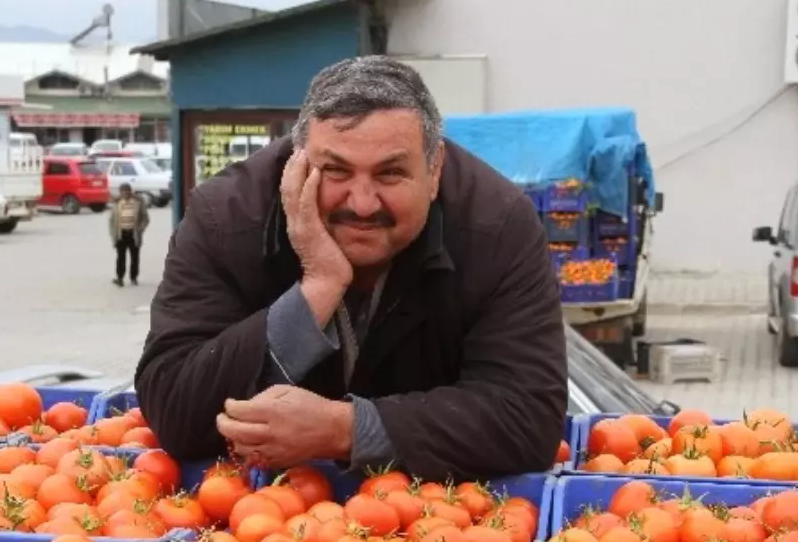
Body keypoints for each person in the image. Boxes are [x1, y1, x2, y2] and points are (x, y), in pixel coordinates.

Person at [134, 56, 567, 480]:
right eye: (336, 171)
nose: (362, 203)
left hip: (435, 515)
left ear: (434, 170)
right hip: (265, 517)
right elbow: (174, 407)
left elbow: (528, 418)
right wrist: (317, 288)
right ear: (296, 162)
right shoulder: (225, 218)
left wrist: (345, 429)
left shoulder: (497, 225)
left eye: (391, 174)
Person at [110, 183, 149, 287]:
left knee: (134, 257)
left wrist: (140, 229)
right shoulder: (117, 203)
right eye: (123, 192)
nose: (126, 194)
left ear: (131, 192)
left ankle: (133, 277)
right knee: (120, 257)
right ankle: (120, 278)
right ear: (120, 193)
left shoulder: (138, 203)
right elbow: (112, 220)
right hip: (121, 233)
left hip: (133, 233)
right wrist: (113, 235)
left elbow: (145, 219)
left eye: (128, 191)